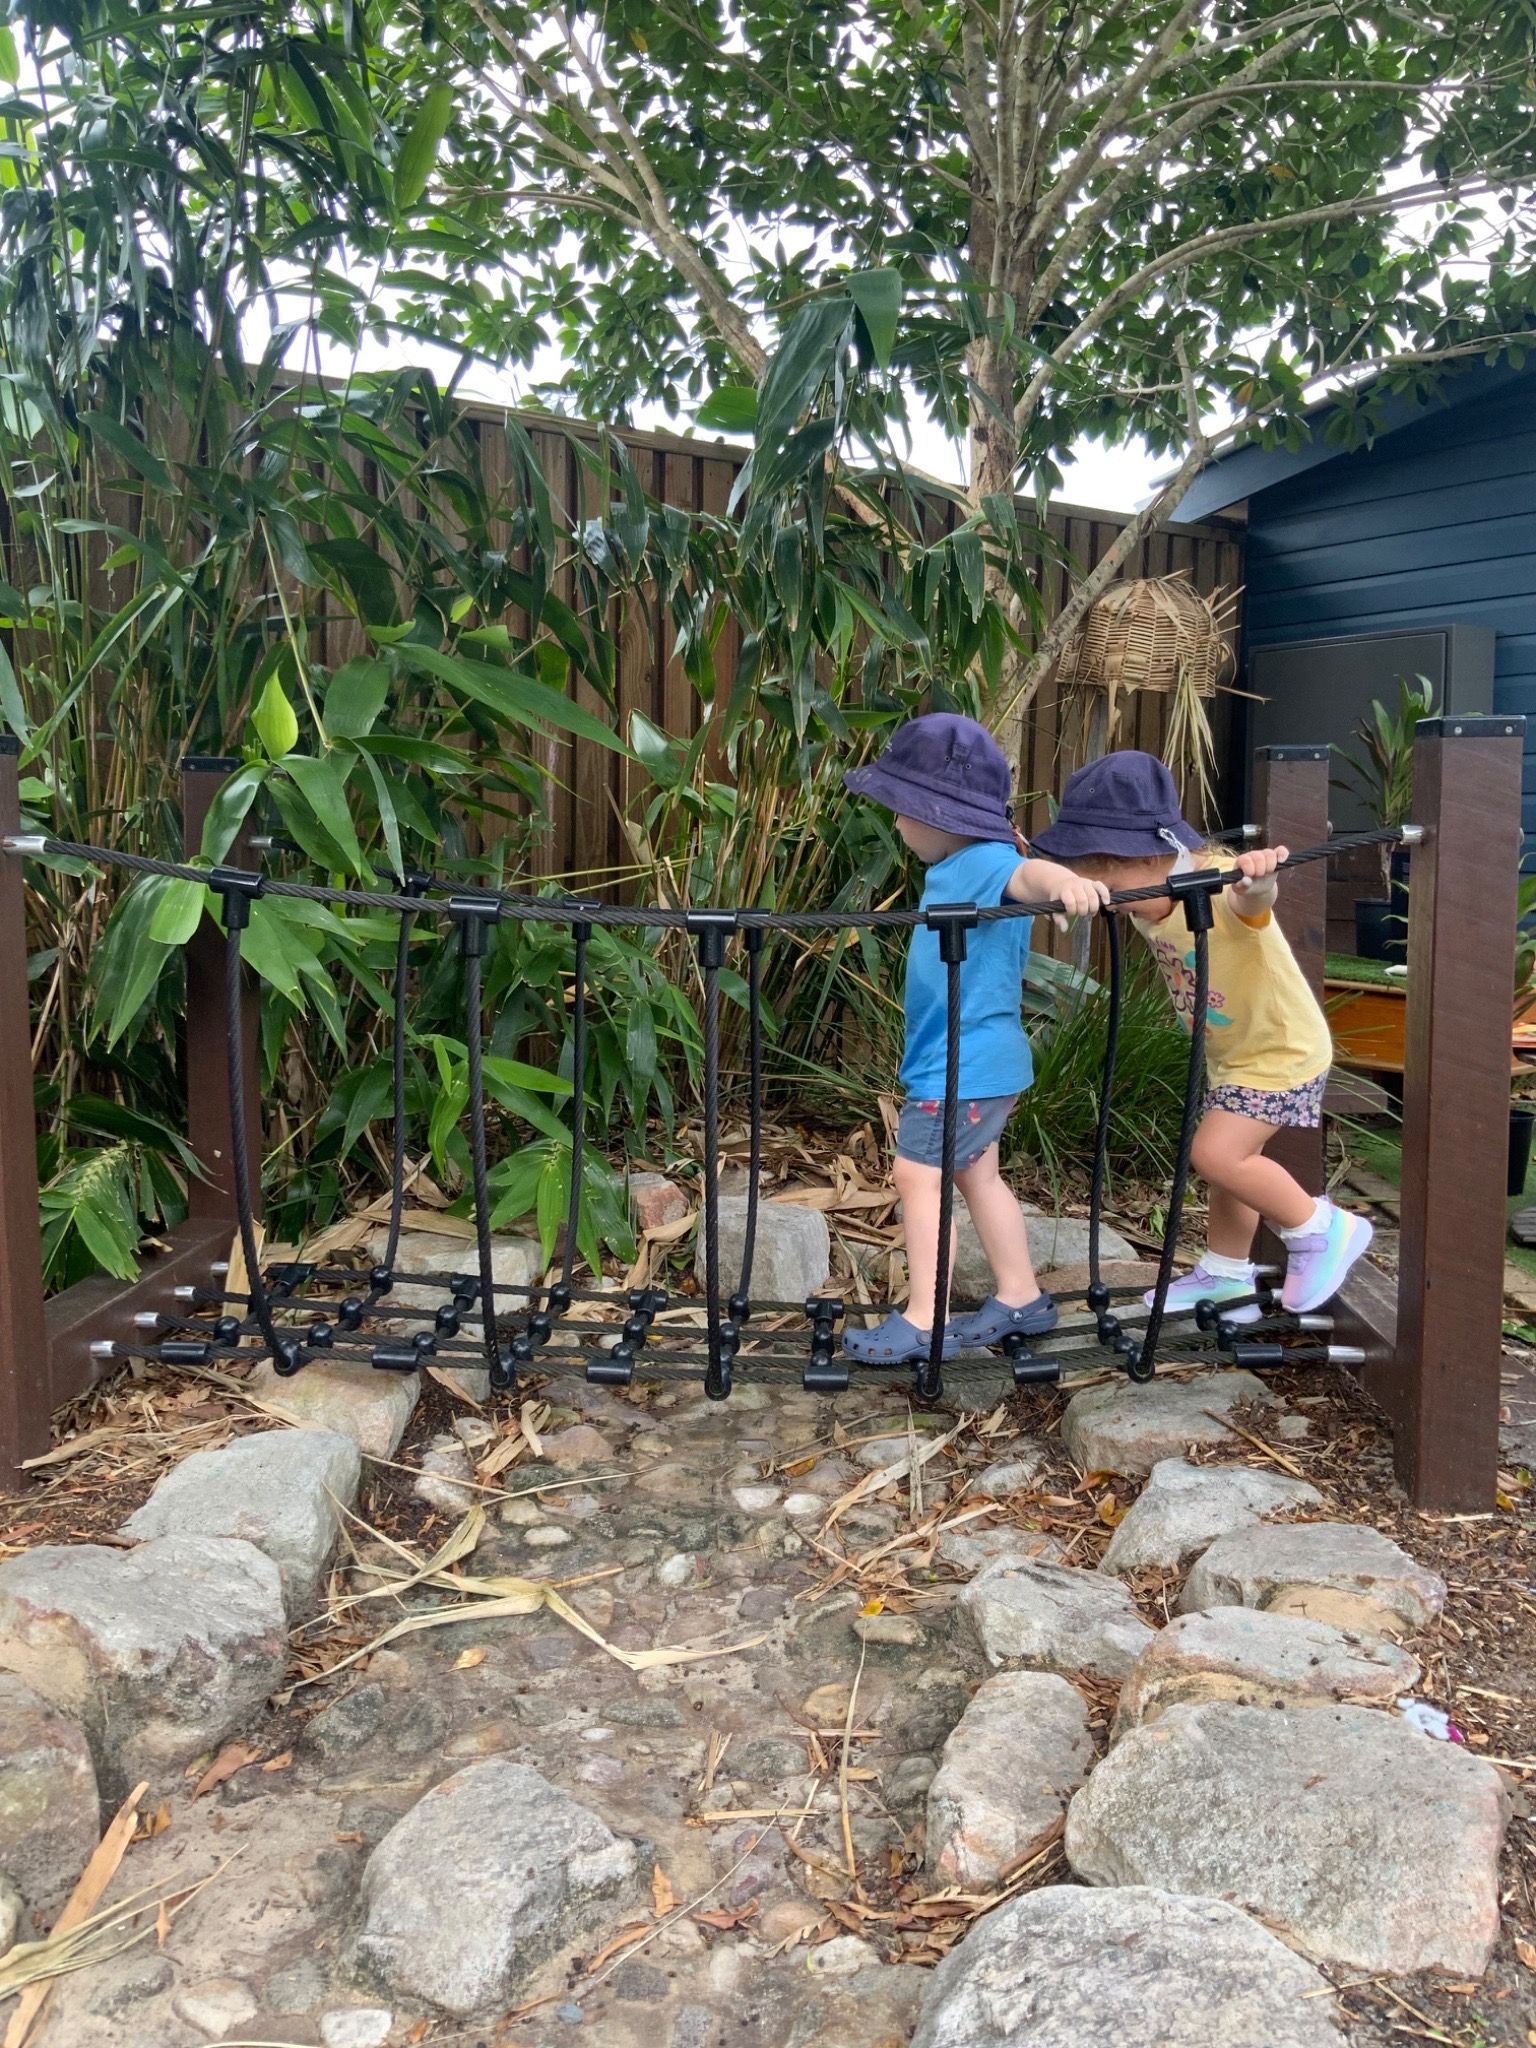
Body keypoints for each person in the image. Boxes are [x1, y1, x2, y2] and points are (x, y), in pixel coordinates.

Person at [1030, 750, 1371, 1320]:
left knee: (1216, 1154)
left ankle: (1321, 1228)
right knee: (1233, 1167)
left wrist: (1257, 882)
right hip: (1235, 1054)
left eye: (1110, 885)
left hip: (1280, 1050)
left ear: (1149, 859)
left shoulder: (1213, 886)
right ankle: (1228, 1279)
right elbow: (1078, 889)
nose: (1110, 902)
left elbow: (1252, 901)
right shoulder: (1146, 893)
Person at [841, 714, 1107, 1361]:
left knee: (916, 1175)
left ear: (942, 814)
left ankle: (927, 1318)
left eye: (903, 809)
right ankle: (1019, 1295)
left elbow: (1031, 879)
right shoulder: (979, 859)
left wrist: (1064, 882)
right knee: (975, 1176)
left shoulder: (984, 862)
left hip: (959, 1067)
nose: (898, 824)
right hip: (983, 1062)